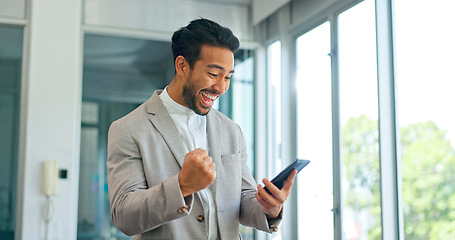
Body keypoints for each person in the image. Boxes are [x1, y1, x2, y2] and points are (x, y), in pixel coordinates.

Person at [107, 18, 297, 239]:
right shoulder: (128, 129)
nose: (221, 87)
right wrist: (182, 186)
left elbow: (243, 200)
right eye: (214, 74)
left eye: (227, 77)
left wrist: (270, 208)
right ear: (182, 65)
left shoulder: (231, 130)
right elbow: (124, 216)